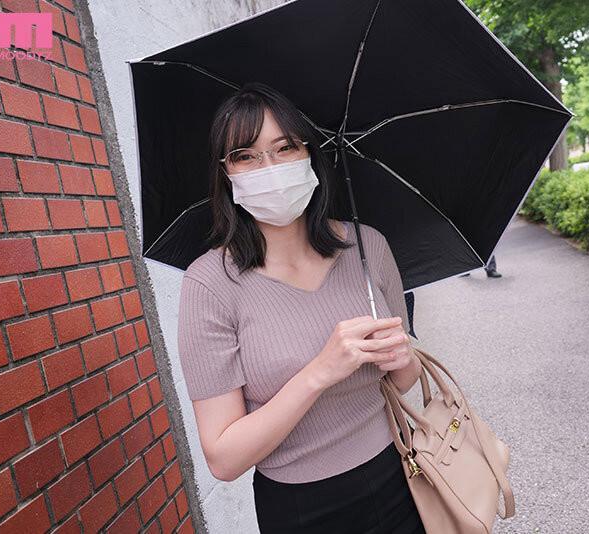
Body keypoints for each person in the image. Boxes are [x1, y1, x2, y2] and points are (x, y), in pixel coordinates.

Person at [177, 81, 426, 533]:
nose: (268, 167)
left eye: (285, 147)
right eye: (245, 155)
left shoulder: (368, 246)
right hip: (301, 509)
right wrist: (318, 372)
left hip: (402, 473)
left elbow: (404, 380)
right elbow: (224, 457)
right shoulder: (209, 283)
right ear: (226, 173)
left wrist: (404, 357)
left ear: (310, 156)